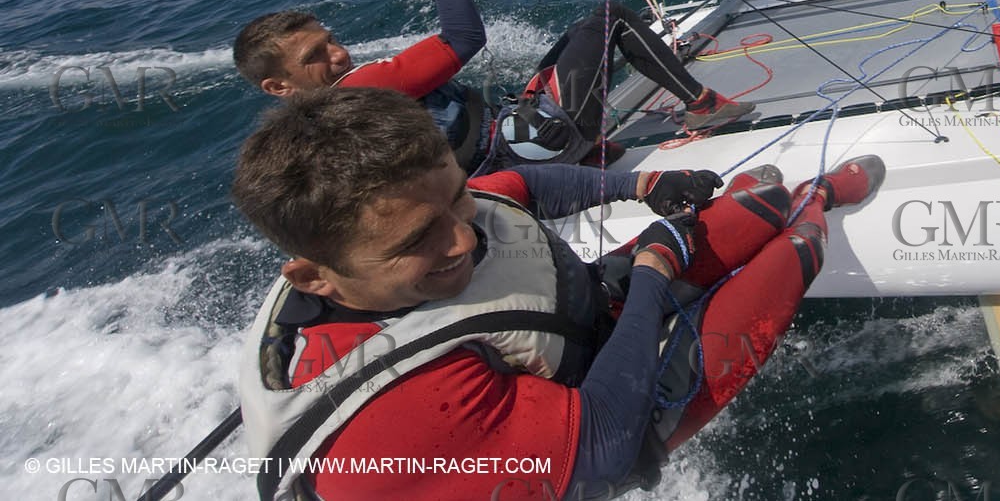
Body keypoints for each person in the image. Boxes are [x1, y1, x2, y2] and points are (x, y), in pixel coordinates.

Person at [232, 87, 885, 500]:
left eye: (459, 197)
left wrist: (644, 185)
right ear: (315, 277)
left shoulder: (433, 207)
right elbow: (605, 443)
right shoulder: (393, 417)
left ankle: (782, 198)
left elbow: (523, 189)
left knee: (761, 204)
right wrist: (654, 281)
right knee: (795, 250)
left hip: (578, 324)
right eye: (419, 241)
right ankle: (822, 196)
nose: (465, 240)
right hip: (603, 433)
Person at [233, 0, 753, 171]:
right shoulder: (361, 93)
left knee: (579, 35)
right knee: (611, 16)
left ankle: (591, 149)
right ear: (278, 86)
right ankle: (704, 104)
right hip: (538, 153)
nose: (339, 53)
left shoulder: (309, 135)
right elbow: (463, 36)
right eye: (315, 56)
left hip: (501, 162)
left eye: (330, 39)